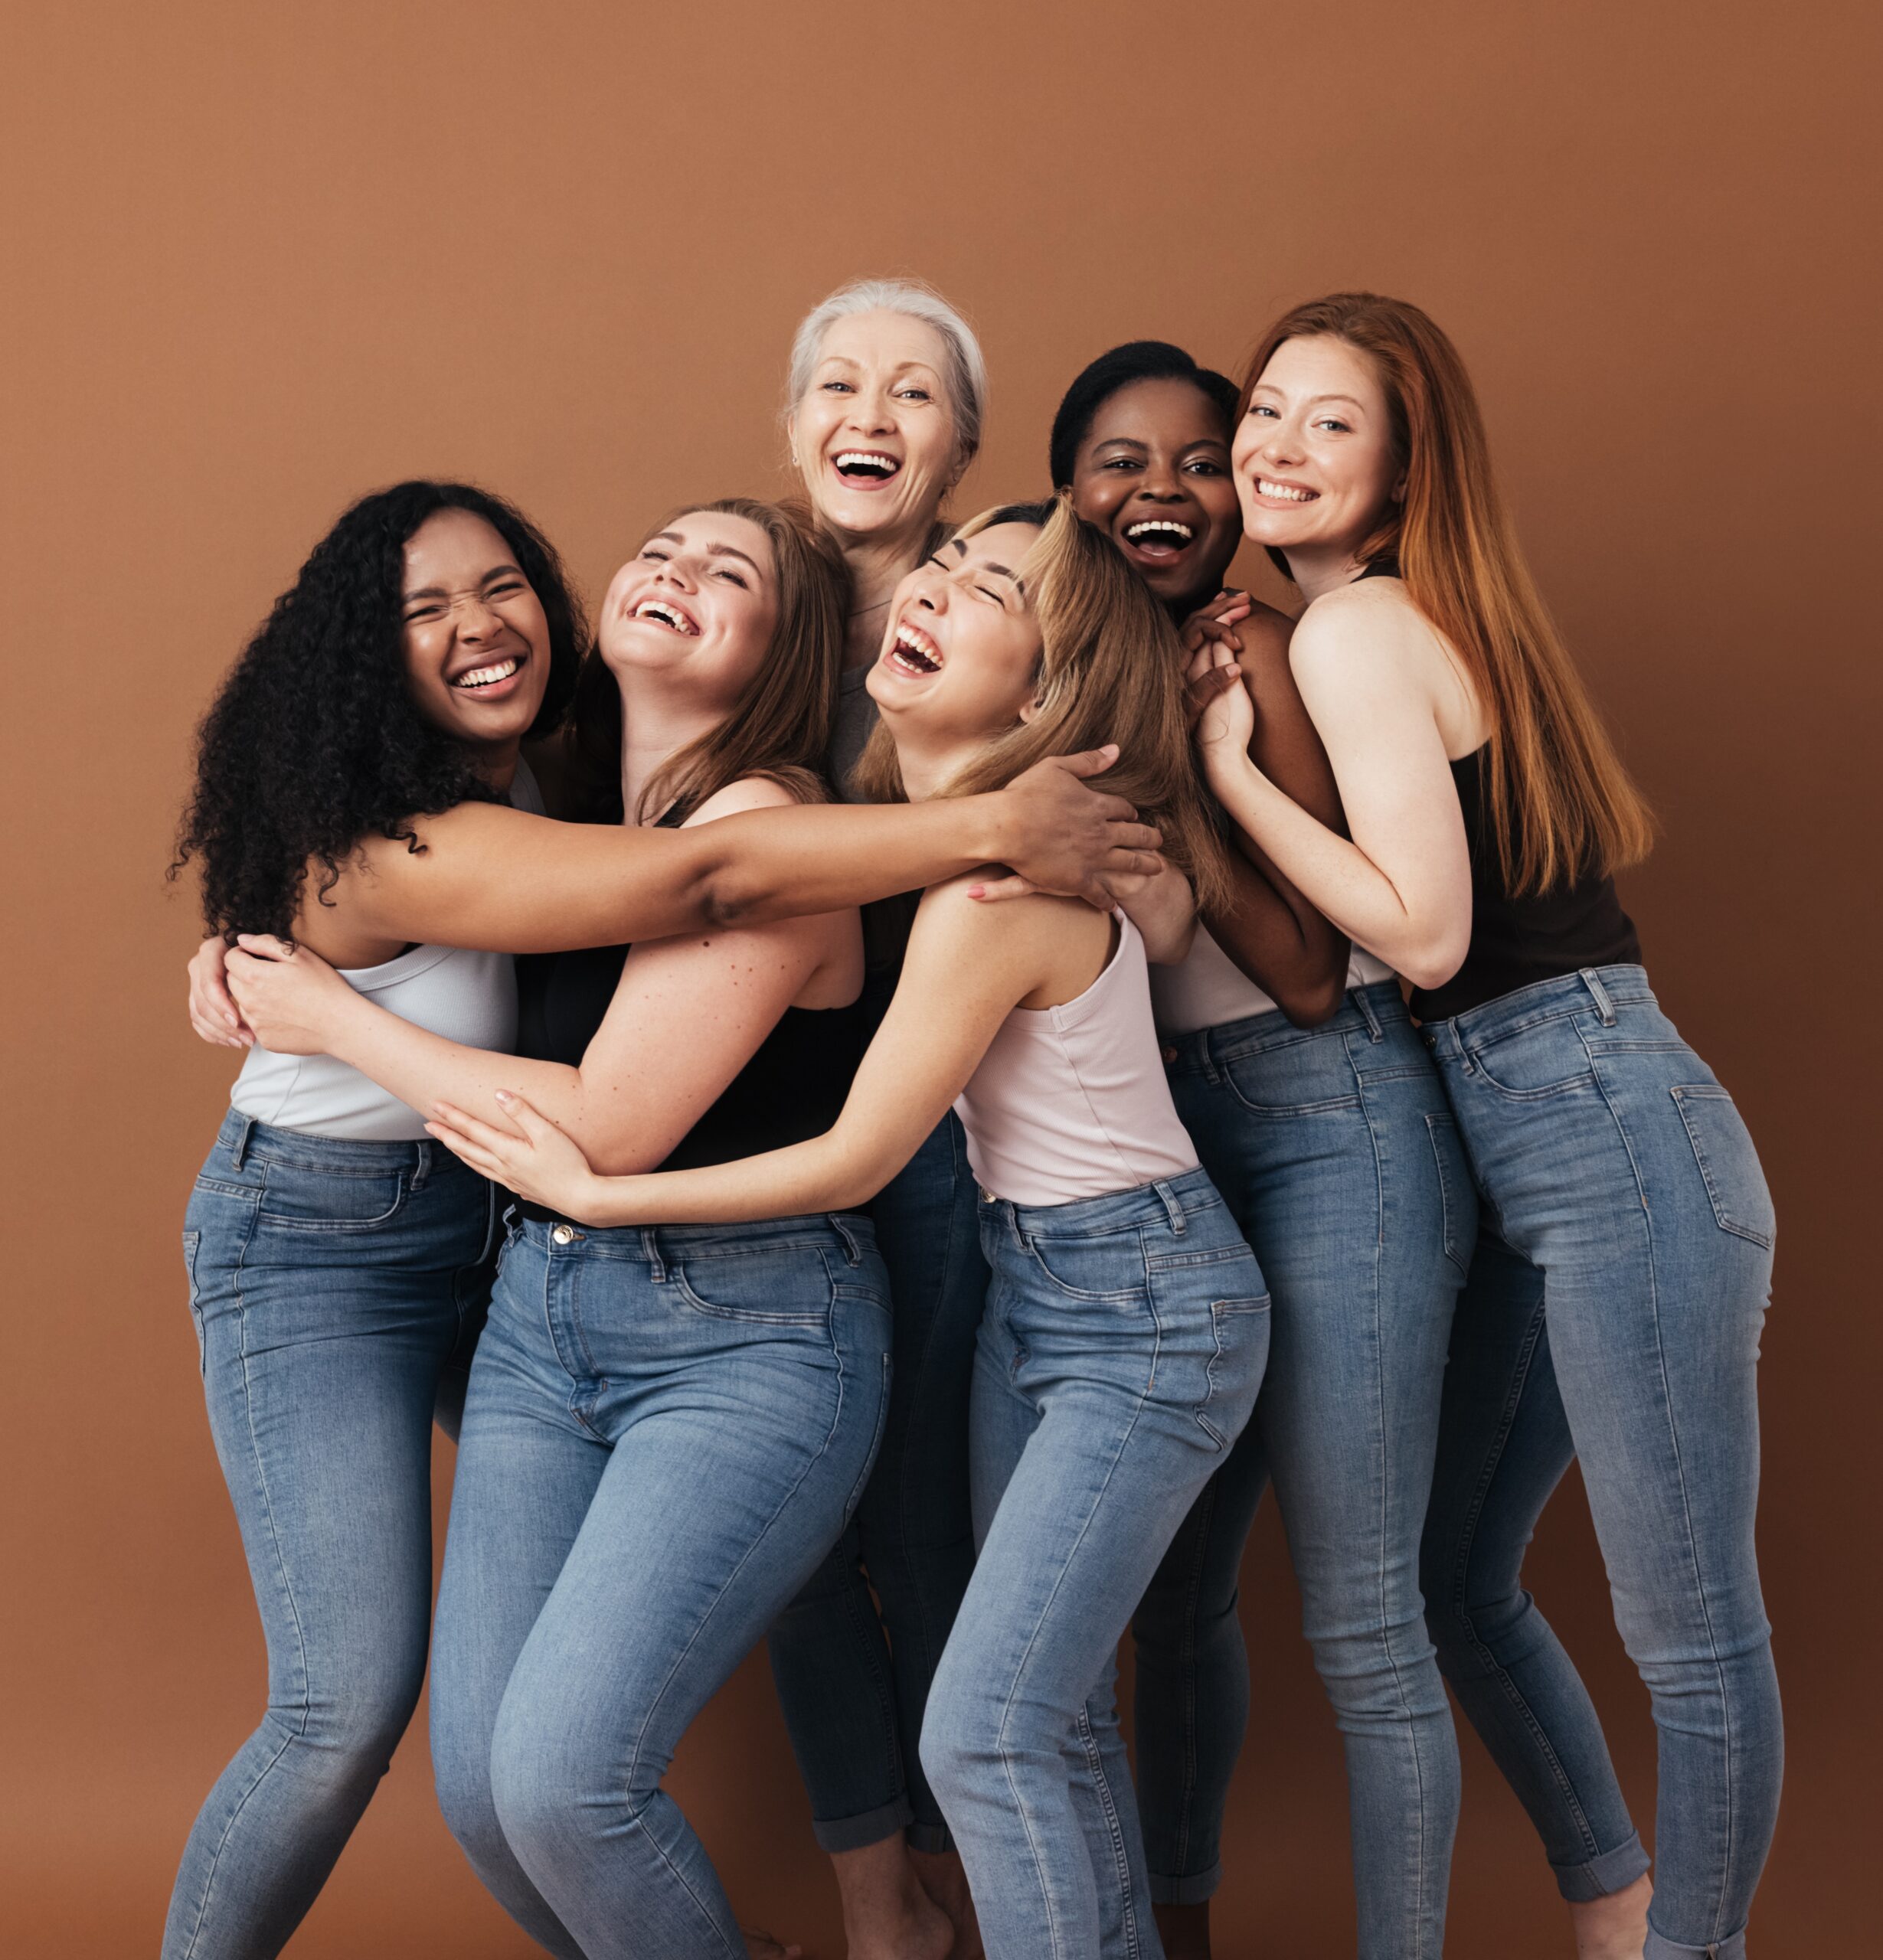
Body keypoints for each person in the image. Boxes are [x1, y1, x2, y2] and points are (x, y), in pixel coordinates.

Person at [166, 479, 1162, 1960]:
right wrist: (266, 968)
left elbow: (690, 943)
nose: (677, 573)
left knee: (557, 1778)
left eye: (730, 573)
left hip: (721, 1305)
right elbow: (641, 881)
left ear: (785, 649)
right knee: (475, 1782)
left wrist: (331, 1016)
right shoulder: (534, 789)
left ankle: (896, 1899)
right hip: (489, 1280)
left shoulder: (742, 808)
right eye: (662, 551)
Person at [421, 500, 1270, 1960]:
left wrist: (610, 1195)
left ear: (1051, 688)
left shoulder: (984, 892)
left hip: (1144, 1298)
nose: (934, 588)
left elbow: (856, 1152)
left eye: (987, 585)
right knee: (1034, 1725)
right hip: (1043, 1288)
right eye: (937, 568)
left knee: (997, 1733)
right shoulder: (898, 838)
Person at [1195, 292, 1777, 1960]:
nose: (1278, 445)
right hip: (1536, 1135)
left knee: (1690, 1624)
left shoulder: (1355, 631)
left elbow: (1427, 937)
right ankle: (1618, 1900)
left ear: (1400, 470)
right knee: (1456, 1575)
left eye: (1330, 422)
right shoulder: (1370, 622)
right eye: (1268, 407)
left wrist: (1231, 777)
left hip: (1605, 1126)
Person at [1063, 341, 1475, 1959]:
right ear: (1063, 494)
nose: (1161, 486)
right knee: (1171, 1592)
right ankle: (1177, 1929)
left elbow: (1310, 971)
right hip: (1162, 1142)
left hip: (1332, 1120)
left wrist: (1197, 767)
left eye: (1193, 456)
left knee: (1366, 1619)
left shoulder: (1273, 653)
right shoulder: (1043, 653)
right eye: (1117, 459)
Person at [768, 276, 994, 1959]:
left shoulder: (1005, 605)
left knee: (925, 1511)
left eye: (913, 393)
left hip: (936, 1132)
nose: (871, 414)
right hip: (741, 1132)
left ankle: (966, 1876)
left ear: (963, 444)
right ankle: (874, 1897)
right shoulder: (730, 593)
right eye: (839, 385)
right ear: (792, 431)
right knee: (777, 1515)